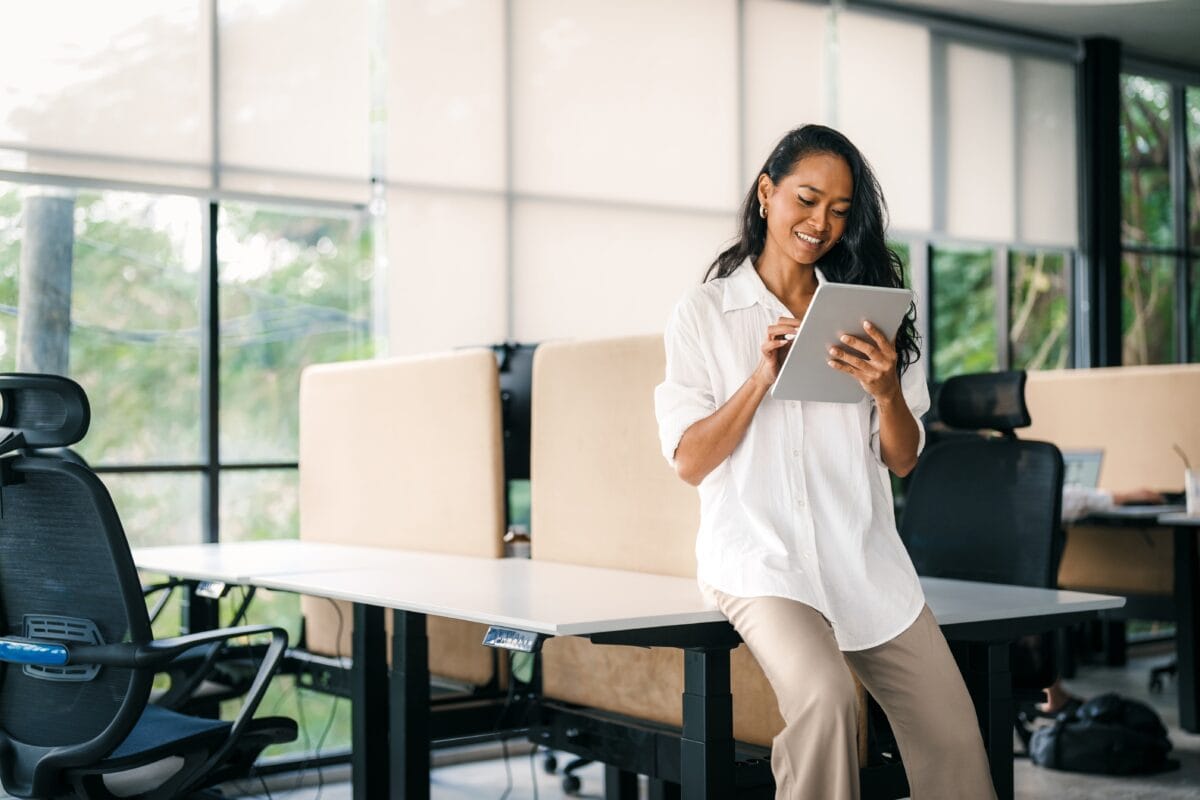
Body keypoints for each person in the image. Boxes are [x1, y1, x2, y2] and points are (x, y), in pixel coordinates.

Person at [654, 124, 997, 799]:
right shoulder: (705, 313)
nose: (821, 223)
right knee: (827, 702)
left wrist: (886, 389)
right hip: (761, 562)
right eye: (806, 200)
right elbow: (690, 461)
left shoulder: (867, 315)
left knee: (955, 741)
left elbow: (902, 460)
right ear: (766, 193)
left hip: (864, 562)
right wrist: (760, 379)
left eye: (840, 211)